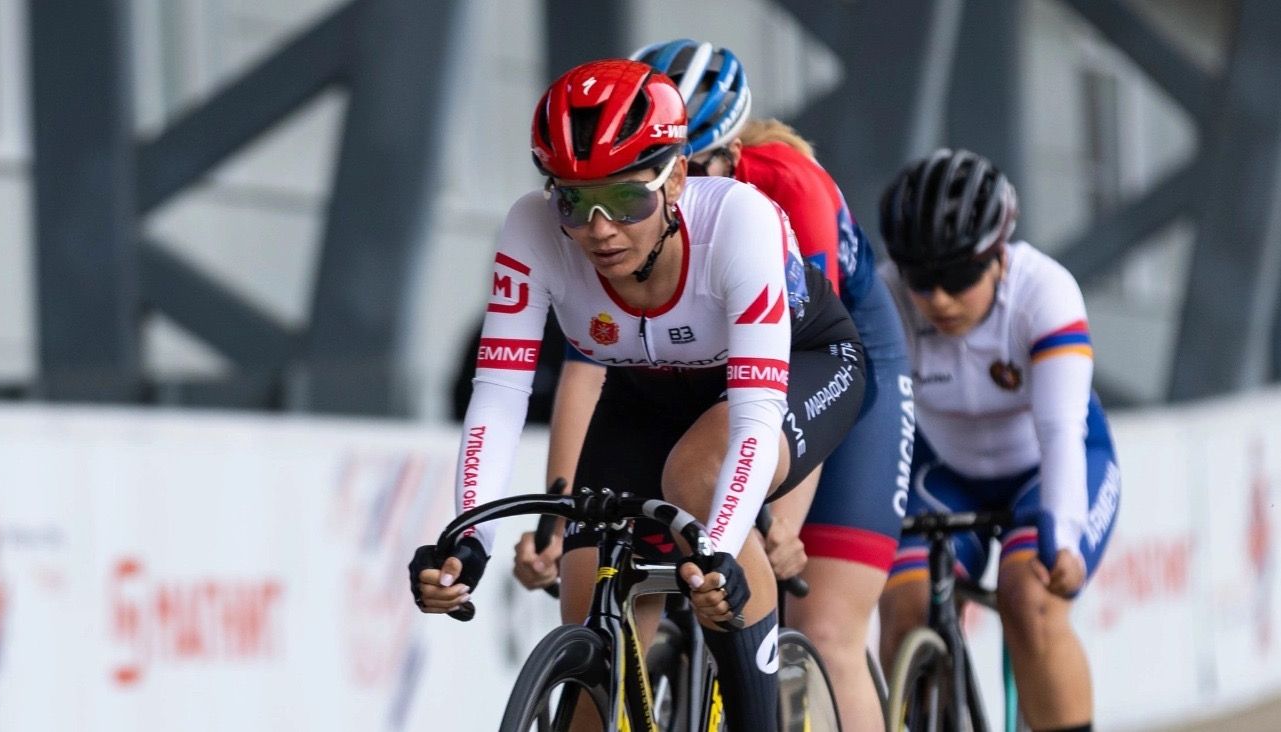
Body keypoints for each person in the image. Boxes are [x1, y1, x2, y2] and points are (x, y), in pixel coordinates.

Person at [409, 59, 866, 731]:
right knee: (588, 604)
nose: (599, 229)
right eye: (572, 202)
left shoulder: (737, 220)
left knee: (697, 478)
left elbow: (753, 414)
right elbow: (499, 394)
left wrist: (716, 550)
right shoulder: (530, 228)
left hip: (798, 367)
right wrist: (468, 539)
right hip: (647, 393)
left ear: (676, 178)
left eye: (626, 200)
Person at [513, 39, 912, 730]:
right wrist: (557, 518)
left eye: (690, 172)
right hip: (696, 372)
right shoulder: (611, 236)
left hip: (825, 368)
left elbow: (783, 369)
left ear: (730, 157)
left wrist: (778, 525)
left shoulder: (782, 194)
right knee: (604, 595)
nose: (682, 193)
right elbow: (587, 368)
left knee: (823, 626)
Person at [875, 148, 1121, 732]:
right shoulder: (887, 297)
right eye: (920, 280)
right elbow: (871, 423)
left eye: (958, 277)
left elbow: (1059, 431)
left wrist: (1062, 536)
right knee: (905, 608)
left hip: (1044, 467)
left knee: (1030, 601)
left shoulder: (1045, 292)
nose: (938, 298)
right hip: (942, 473)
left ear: (999, 257)